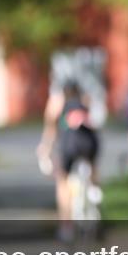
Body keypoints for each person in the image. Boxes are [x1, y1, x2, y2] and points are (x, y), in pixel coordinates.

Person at [37, 79, 101, 241]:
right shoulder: (86, 101)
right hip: (89, 145)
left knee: (62, 180)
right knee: (93, 166)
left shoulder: (58, 105)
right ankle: (94, 190)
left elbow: (50, 130)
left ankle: (66, 225)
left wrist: (45, 148)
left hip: (69, 146)